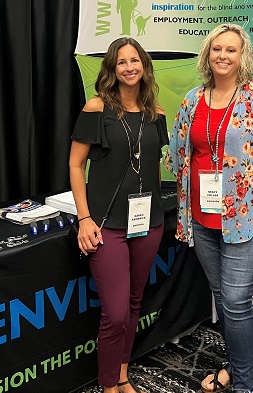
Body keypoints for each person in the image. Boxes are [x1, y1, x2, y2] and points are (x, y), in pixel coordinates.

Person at [164, 24, 253, 393]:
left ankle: (242, 384)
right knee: (224, 299)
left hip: (245, 218)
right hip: (201, 218)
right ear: (207, 55)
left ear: (243, 57)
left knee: (237, 302)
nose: (223, 55)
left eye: (231, 50)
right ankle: (235, 364)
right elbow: (176, 152)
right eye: (216, 49)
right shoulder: (193, 99)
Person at [69, 37, 168, 393]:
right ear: (111, 69)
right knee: (113, 312)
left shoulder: (156, 113)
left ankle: (122, 375)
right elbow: (75, 164)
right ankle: (109, 386)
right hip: (106, 225)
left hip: (149, 222)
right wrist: (84, 218)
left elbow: (153, 167)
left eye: (135, 60)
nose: (129, 67)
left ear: (144, 65)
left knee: (133, 303)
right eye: (121, 62)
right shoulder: (96, 108)